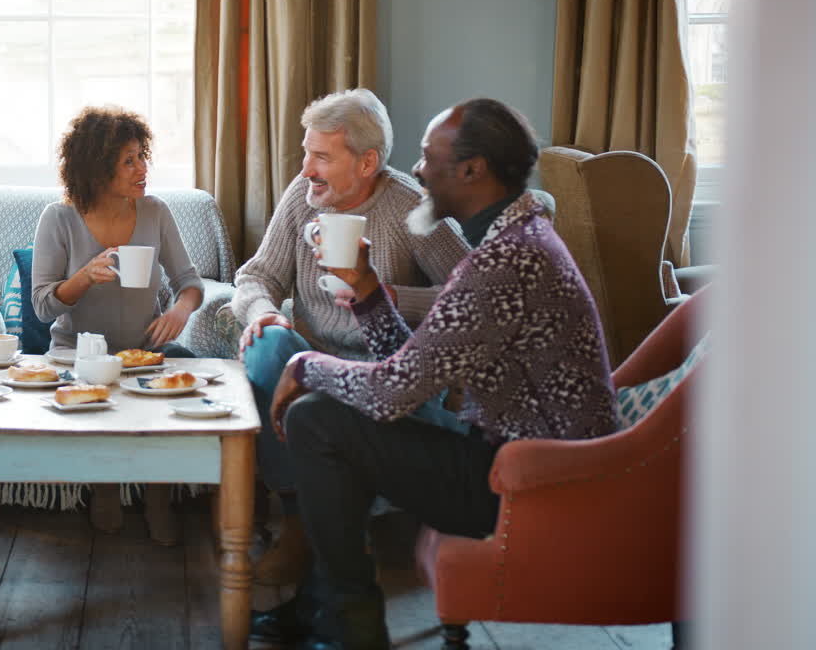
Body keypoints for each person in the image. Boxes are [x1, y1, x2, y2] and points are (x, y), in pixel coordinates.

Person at [251, 98, 619, 649]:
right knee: (324, 416)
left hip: (532, 479)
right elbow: (415, 368)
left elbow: (395, 390)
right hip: (509, 456)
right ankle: (329, 611)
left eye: (429, 157)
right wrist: (370, 292)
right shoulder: (515, 242)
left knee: (317, 421)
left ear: (472, 171)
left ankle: (347, 628)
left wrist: (307, 364)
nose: (417, 171)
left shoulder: (505, 263)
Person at [232, 88, 470, 585]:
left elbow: (469, 295)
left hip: (389, 368)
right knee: (267, 344)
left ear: (366, 162)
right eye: (306, 152)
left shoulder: (412, 205)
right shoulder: (302, 197)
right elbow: (257, 277)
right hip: (312, 360)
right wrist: (264, 312)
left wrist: (387, 296)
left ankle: (352, 533)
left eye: (320, 156)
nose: (305, 169)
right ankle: (298, 521)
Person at [31, 105, 205, 545]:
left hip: (142, 351)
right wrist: (84, 277)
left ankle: (158, 497)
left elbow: (190, 283)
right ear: (96, 167)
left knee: (172, 398)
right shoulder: (59, 218)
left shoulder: (155, 212)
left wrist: (180, 311)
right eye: (128, 160)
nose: (142, 168)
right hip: (77, 354)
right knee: (100, 402)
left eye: (142, 156)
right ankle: (105, 488)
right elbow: (42, 307)